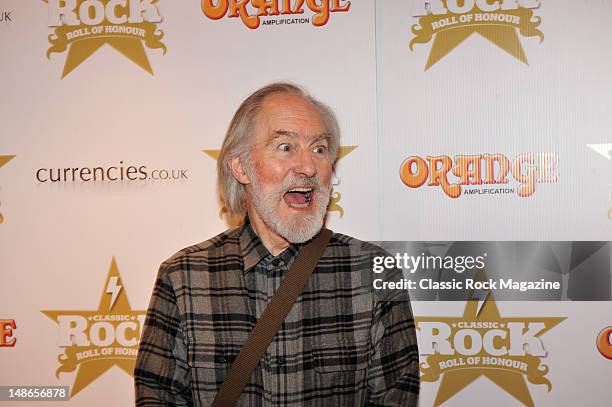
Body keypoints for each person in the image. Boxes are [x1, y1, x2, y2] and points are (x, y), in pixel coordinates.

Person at [134, 83, 419, 406]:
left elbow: (396, 398)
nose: (309, 167)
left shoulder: (372, 271)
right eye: (285, 147)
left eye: (320, 149)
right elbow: (158, 396)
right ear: (240, 166)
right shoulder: (183, 276)